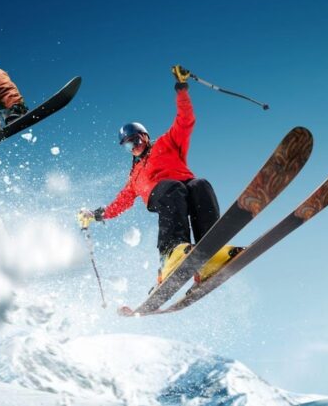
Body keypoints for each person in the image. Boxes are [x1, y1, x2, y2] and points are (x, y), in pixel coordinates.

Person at [78, 65, 238, 286]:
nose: (134, 147)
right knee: (173, 189)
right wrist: (97, 215)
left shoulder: (167, 142)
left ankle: (210, 251)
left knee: (200, 185)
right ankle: (170, 254)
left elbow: (185, 120)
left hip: (184, 185)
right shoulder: (134, 176)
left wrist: (181, 89)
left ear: (145, 136)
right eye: (128, 146)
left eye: (136, 140)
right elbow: (120, 203)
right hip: (163, 194)